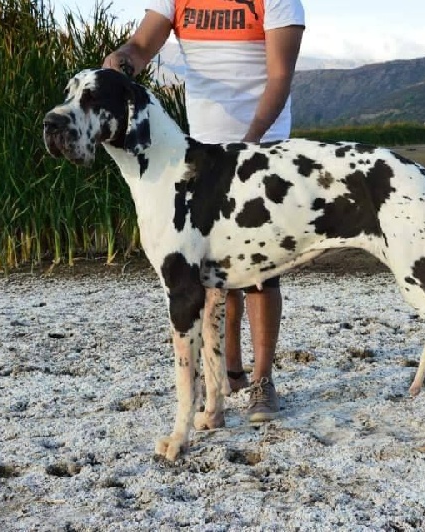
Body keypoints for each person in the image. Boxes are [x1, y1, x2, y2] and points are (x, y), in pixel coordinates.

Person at [103, 0, 305, 422]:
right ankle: (230, 374)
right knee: (213, 273)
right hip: (200, 150)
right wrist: (120, 63)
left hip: (262, 147)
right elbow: (140, 46)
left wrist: (250, 143)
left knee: (261, 271)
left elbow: (280, 77)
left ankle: (262, 382)